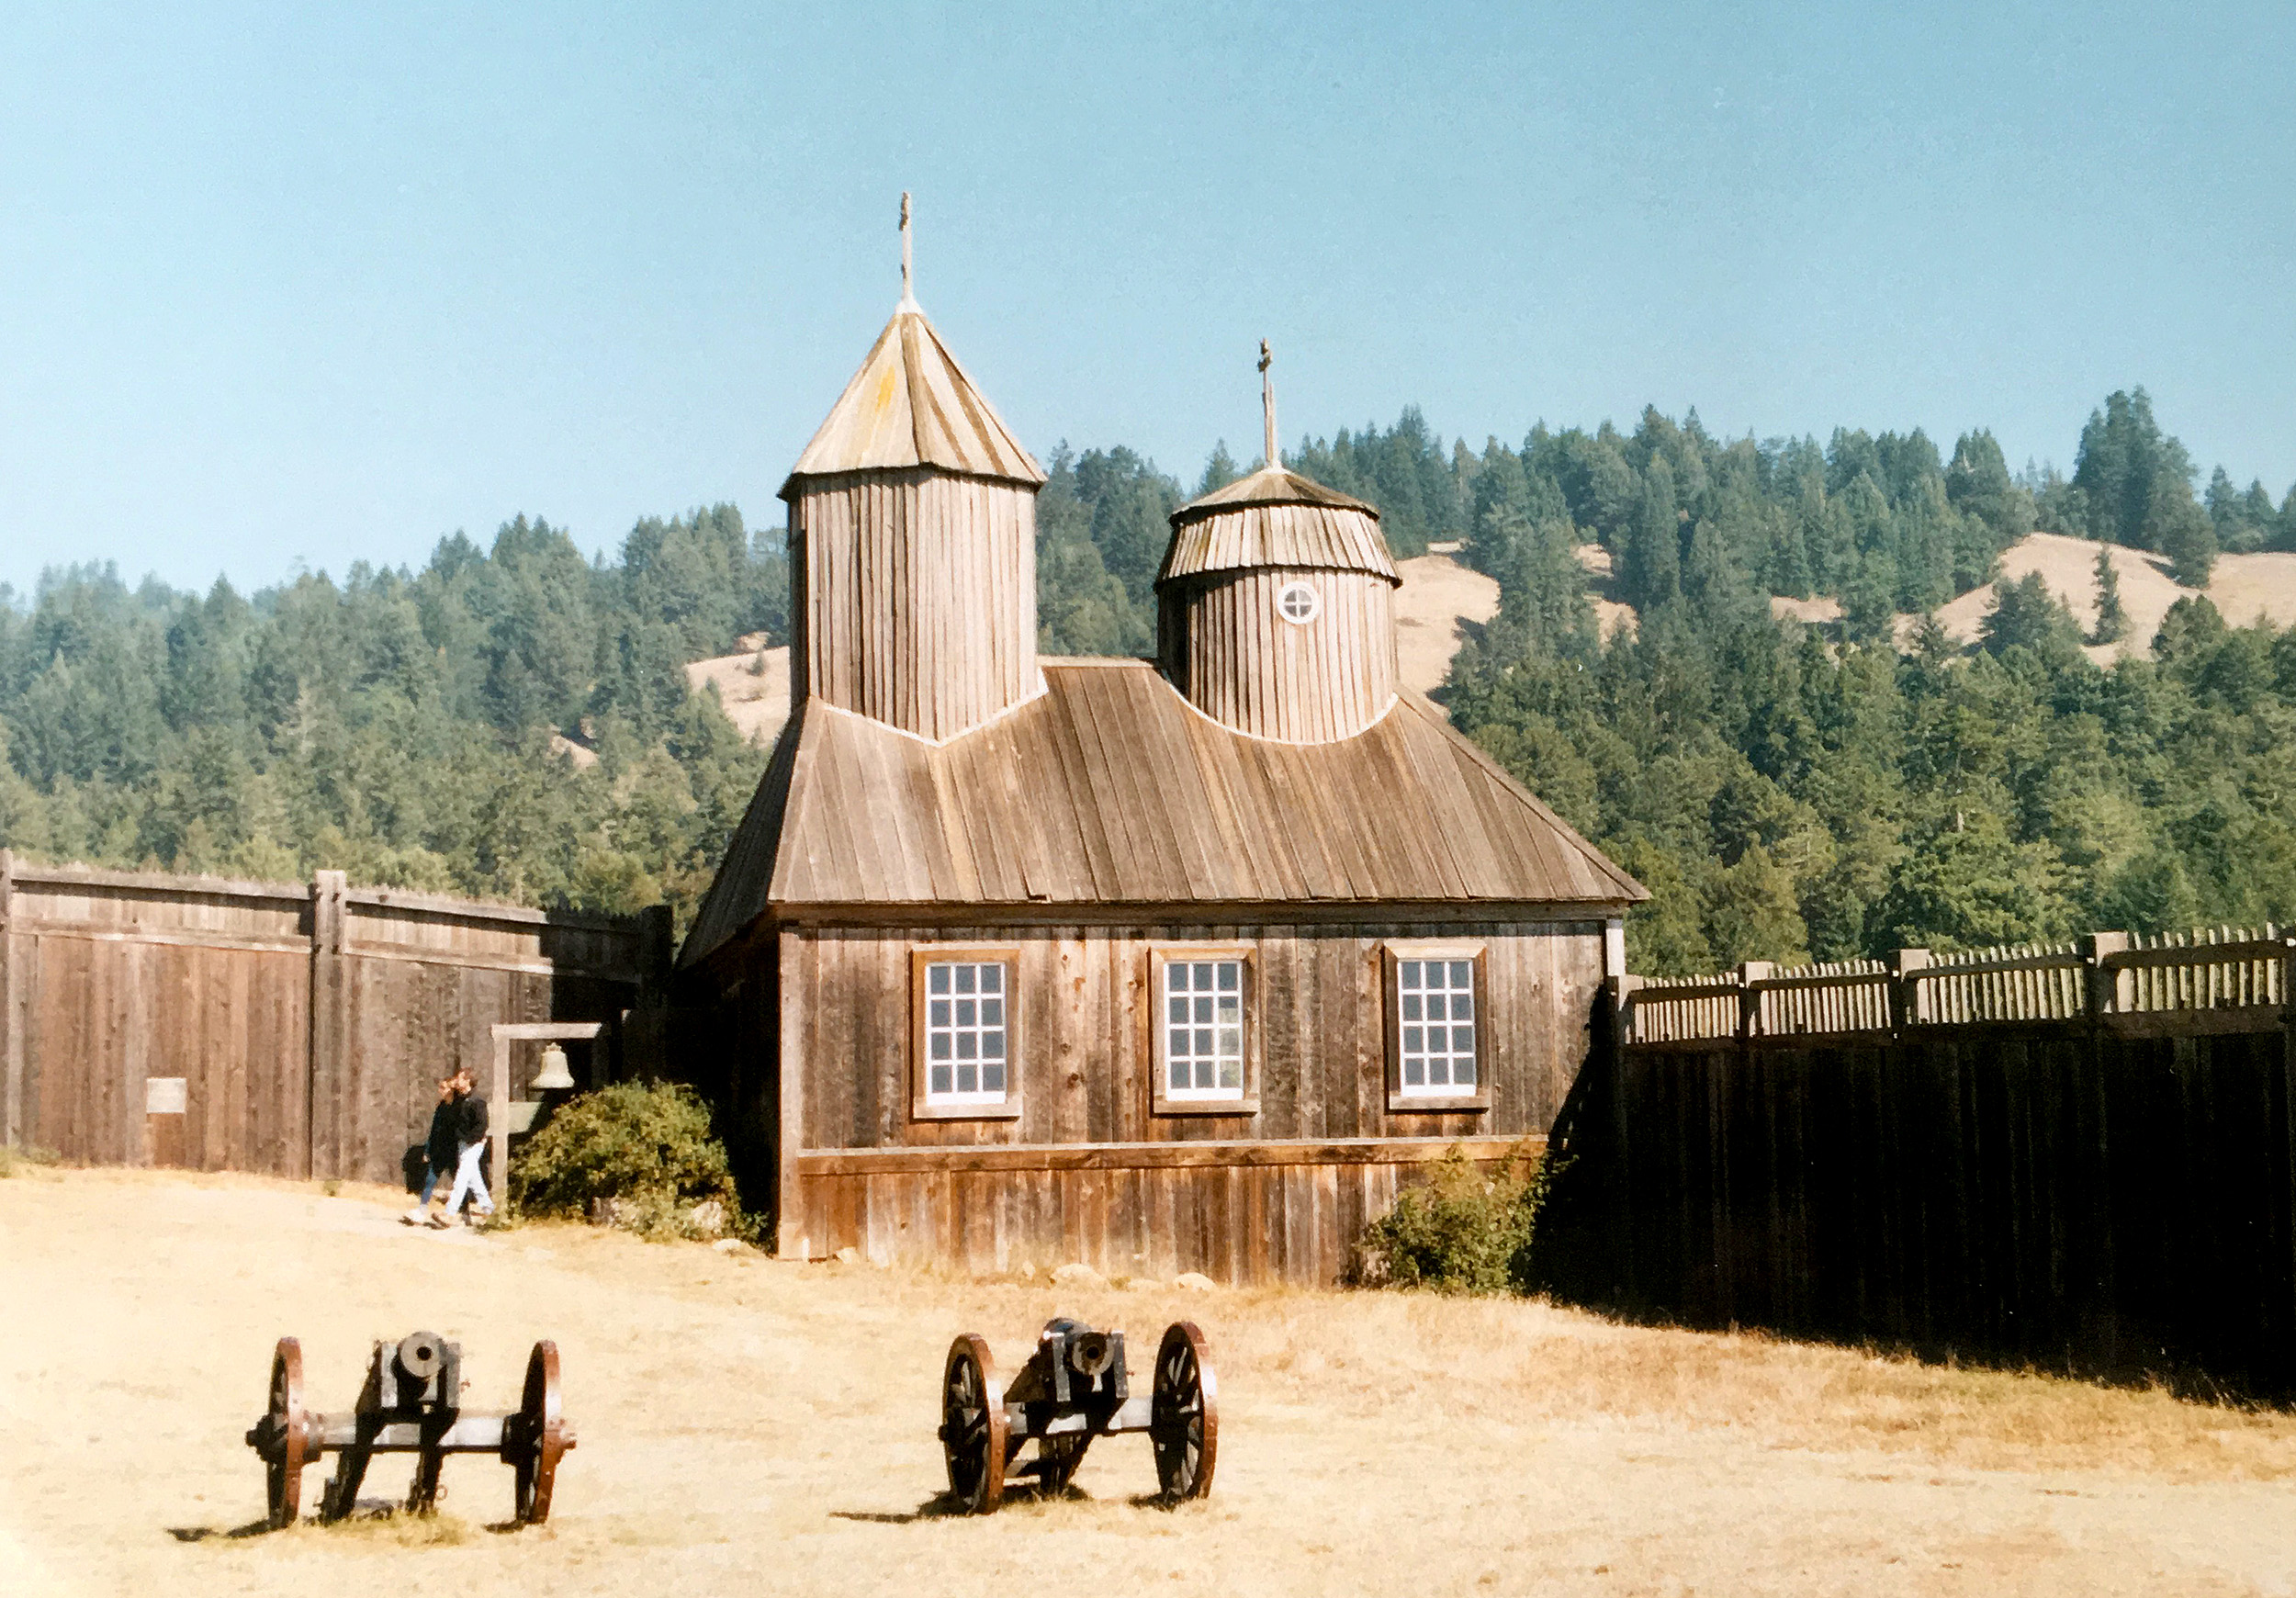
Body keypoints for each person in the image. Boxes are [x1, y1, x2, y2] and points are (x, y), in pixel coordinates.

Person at [433, 1065, 494, 1229]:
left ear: (467, 1080)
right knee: (475, 1180)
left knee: (461, 1178)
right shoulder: (460, 1099)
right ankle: (490, 1209)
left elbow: (482, 1125)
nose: (456, 1080)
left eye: (460, 1078)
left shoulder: (477, 1101)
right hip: (462, 1144)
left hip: (473, 1144)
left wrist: (471, 1140)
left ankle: (450, 1213)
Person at [403, 1076, 458, 1226]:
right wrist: (428, 1150)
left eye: (443, 1088)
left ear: (450, 1090)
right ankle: (421, 1211)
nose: (440, 1090)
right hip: (438, 1151)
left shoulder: (457, 1108)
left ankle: (464, 1214)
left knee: (459, 1184)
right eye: (439, 1087)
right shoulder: (441, 1107)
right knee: (430, 1180)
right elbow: (434, 1131)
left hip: (453, 1152)